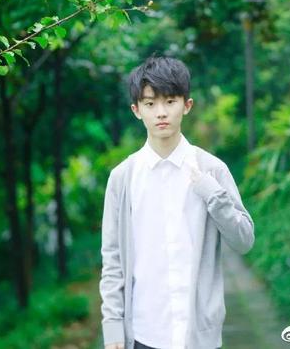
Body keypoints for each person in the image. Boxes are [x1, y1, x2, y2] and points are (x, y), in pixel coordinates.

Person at [99, 56, 255, 349]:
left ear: (187, 105)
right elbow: (113, 259)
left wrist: (212, 193)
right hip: (143, 333)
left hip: (199, 335)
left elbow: (244, 240)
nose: (161, 112)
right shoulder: (123, 178)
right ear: (136, 110)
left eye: (170, 101)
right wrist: (112, 327)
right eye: (150, 104)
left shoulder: (212, 170)